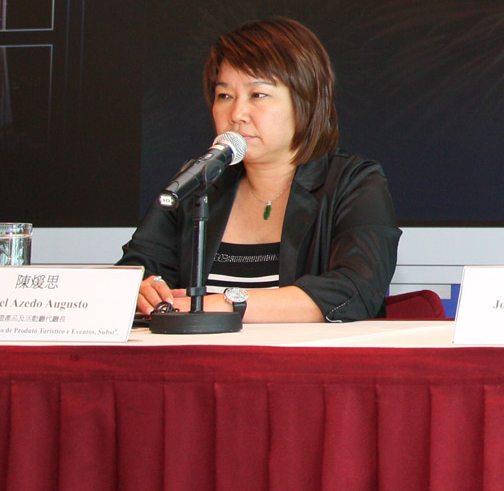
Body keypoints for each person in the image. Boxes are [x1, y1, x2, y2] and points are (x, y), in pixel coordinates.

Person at [121, 17, 399, 322]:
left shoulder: (354, 183)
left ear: (306, 101)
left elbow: (356, 291)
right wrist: (140, 290)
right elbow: (134, 273)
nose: (237, 114)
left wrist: (220, 305)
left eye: (258, 95)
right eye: (224, 96)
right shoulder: (198, 182)